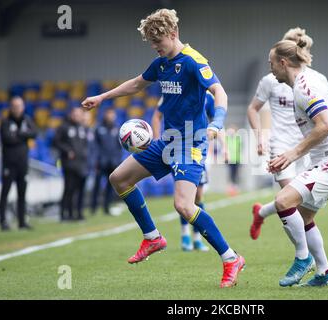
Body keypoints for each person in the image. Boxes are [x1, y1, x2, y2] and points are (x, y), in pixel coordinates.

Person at [82, 9, 245, 288]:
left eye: (159, 42)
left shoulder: (194, 61)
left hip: (190, 143)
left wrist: (217, 123)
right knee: (118, 179)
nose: (156, 47)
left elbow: (220, 92)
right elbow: (136, 84)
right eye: (152, 43)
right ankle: (152, 237)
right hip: (166, 142)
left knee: (183, 205)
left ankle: (231, 258)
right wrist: (102, 97)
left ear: (173, 34)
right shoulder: (160, 63)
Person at [267, 39, 328, 287]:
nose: (270, 69)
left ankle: (302, 258)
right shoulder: (313, 77)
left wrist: (291, 155)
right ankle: (325, 273)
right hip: (325, 160)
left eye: (271, 63)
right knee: (303, 217)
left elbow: (325, 125)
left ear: (283, 63)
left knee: (283, 201)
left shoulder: (304, 87)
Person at [248, 27, 312, 240]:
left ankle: (262, 212)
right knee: (294, 201)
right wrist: (259, 138)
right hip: (281, 144)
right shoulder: (270, 80)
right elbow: (252, 109)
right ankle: (305, 256)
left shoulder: (311, 80)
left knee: (298, 201)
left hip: (304, 146)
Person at [151, 92, 223, 252]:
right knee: (184, 197)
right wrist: (157, 142)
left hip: (197, 150)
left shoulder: (207, 96)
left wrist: (224, 146)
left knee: (198, 196)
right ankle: (185, 236)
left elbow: (216, 122)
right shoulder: (172, 90)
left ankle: (197, 238)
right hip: (176, 149)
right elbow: (157, 116)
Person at [0, 96, 37, 231]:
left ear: (23, 107)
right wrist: (23, 135)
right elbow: (7, 139)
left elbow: (34, 133)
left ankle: (22, 221)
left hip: (23, 163)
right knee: (5, 192)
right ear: (11, 107)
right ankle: (3, 221)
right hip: (9, 163)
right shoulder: (6, 122)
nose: (17, 109)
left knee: (22, 193)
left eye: (19, 106)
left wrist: (18, 135)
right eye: (14, 106)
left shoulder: (27, 119)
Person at [54, 107, 88, 221]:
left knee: (80, 190)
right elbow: (56, 142)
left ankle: (78, 213)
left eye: (79, 115)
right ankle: (64, 214)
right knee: (69, 189)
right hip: (69, 164)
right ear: (71, 115)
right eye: (75, 114)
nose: (77, 117)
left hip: (81, 164)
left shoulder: (82, 128)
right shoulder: (64, 127)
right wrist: (67, 150)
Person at [91, 108, 122, 215]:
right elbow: (95, 146)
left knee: (110, 186)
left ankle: (106, 207)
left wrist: (117, 160)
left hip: (112, 162)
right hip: (101, 162)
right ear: (105, 115)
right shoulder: (99, 128)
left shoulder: (116, 129)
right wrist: (96, 159)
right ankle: (93, 208)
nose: (111, 117)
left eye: (112, 115)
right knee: (97, 185)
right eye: (109, 114)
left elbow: (119, 147)